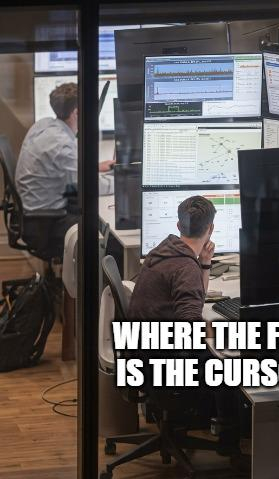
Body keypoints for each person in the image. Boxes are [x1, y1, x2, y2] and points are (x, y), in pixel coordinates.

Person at [129, 195, 241, 451]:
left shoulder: (166, 249)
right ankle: (229, 445)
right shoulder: (184, 267)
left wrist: (204, 264)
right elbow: (189, 328)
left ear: (179, 226)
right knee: (231, 364)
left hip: (143, 351)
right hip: (163, 361)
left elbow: (194, 299)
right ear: (211, 228)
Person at [15, 82, 114, 253]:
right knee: (109, 241)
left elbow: (59, 167)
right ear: (76, 113)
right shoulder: (61, 144)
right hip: (45, 224)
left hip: (33, 215)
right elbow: (92, 187)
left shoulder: (43, 125)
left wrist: (94, 167)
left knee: (91, 215)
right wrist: (123, 183)